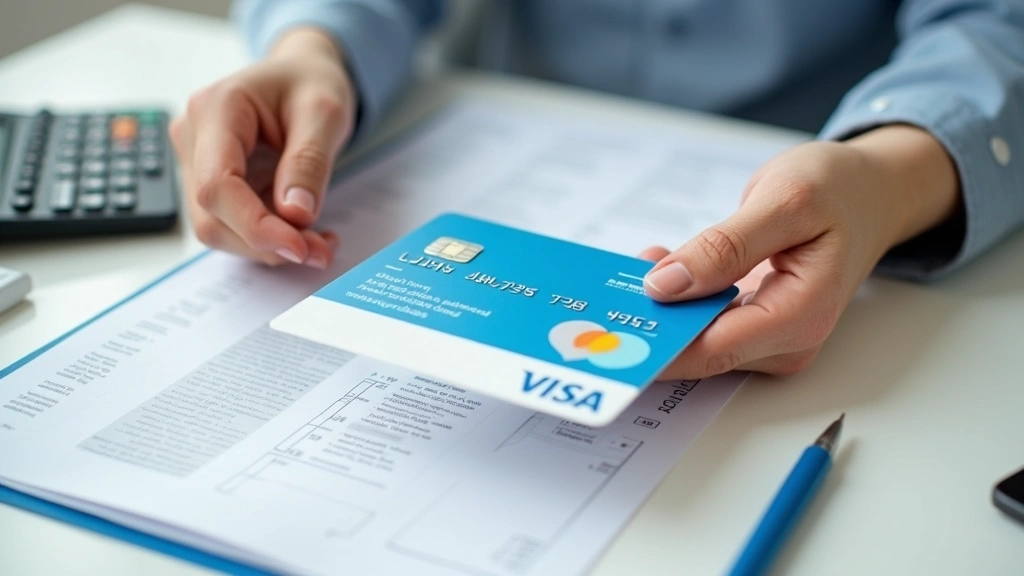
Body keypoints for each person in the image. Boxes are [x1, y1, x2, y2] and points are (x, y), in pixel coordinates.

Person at [170, 0, 1024, 380]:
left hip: (830, 155)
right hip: (486, 133)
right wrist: (315, 46)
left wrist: (888, 173)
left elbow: (997, 21)